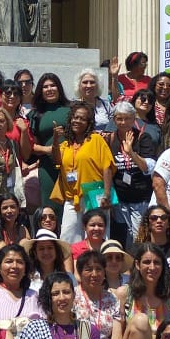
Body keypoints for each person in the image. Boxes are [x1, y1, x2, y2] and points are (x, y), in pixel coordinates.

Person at [51, 102, 113, 243]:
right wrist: (55, 139)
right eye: (75, 117)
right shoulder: (66, 144)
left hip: (95, 195)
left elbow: (107, 167)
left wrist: (107, 193)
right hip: (72, 198)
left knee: (96, 237)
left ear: (89, 123)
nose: (77, 121)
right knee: (67, 238)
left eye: (82, 119)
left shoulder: (96, 140)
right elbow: (57, 160)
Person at [119, 243, 170, 339]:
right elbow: (119, 334)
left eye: (157, 263)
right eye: (147, 262)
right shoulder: (125, 294)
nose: (152, 267)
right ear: (137, 264)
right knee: (140, 320)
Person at [107, 100, 158, 245]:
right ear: (114, 120)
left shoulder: (143, 137)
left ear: (134, 118)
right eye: (119, 118)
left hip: (140, 199)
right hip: (119, 199)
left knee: (138, 238)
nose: (123, 122)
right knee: (121, 237)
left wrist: (131, 153)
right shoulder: (110, 139)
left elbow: (148, 167)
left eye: (127, 118)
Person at [29, 73, 71, 205]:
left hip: (72, 164)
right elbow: (32, 146)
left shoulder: (72, 109)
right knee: (50, 207)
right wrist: (49, 149)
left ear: (59, 88)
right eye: (45, 87)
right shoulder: (35, 114)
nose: (50, 89)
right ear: (40, 91)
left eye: (53, 85)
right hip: (48, 167)